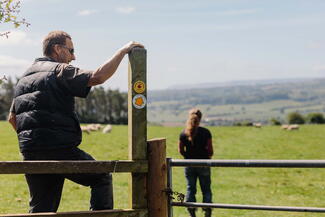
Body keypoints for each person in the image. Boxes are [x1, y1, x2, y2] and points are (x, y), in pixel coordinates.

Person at [7, 30, 143, 213]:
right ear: (57, 49)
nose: (73, 56)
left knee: (42, 209)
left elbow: (12, 119)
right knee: (101, 177)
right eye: (71, 51)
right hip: (60, 149)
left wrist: (36, 139)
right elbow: (97, 77)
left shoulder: (24, 78)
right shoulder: (58, 70)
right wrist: (123, 51)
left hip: (31, 151)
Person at [178, 109, 213, 217]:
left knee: (190, 187)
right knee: (206, 189)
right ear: (200, 118)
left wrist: (187, 157)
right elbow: (210, 150)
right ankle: (207, 211)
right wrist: (207, 156)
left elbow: (180, 150)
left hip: (189, 164)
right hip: (204, 163)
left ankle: (191, 211)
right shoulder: (206, 132)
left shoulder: (183, 133)